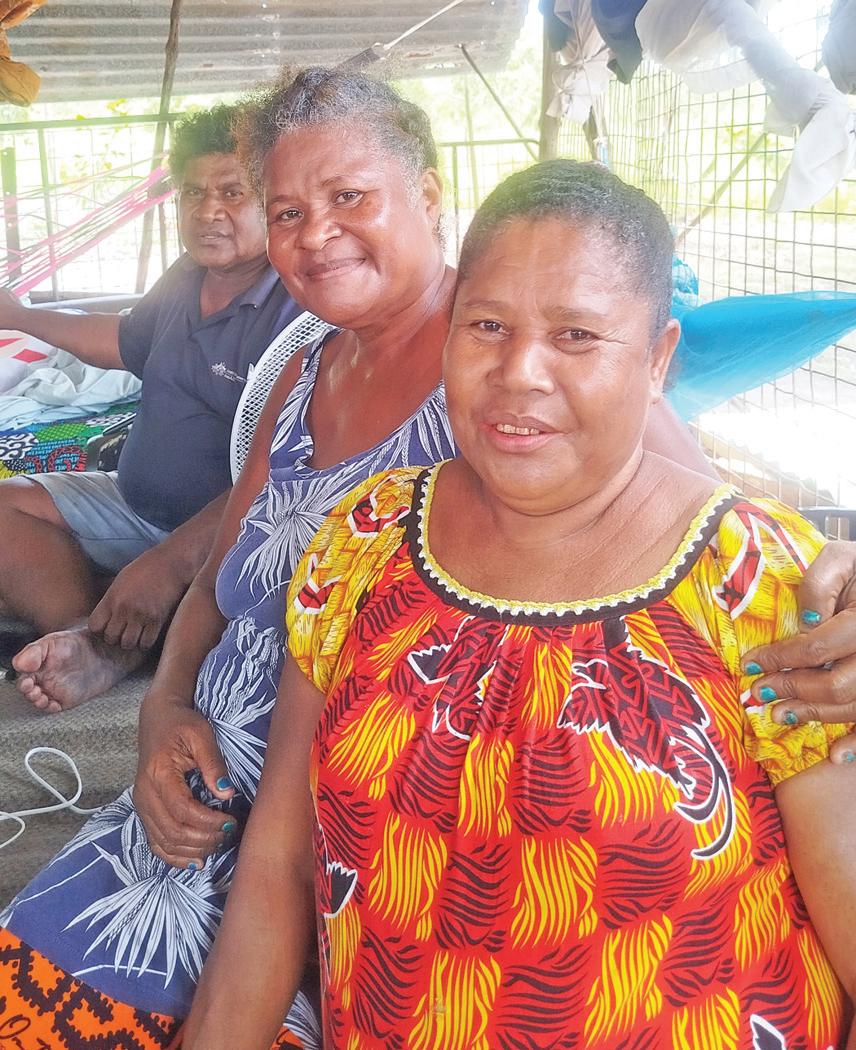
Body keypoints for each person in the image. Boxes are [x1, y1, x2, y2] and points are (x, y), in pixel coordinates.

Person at [1, 67, 855, 1048]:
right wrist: (162, 707)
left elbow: (712, 536)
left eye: (348, 196)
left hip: (312, 844)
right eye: (289, 211)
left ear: (429, 196)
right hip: (223, 809)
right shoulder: (334, 447)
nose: (315, 234)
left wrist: (832, 588)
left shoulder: (581, 447)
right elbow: (225, 587)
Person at [0, 103, 302, 712]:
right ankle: (92, 635)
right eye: (193, 192)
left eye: (232, 192)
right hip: (135, 503)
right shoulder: (187, 276)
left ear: (274, 203)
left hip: (234, 532)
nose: (208, 210)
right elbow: (123, 341)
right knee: (6, 506)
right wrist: (20, 316)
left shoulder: (297, 307)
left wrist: (166, 564)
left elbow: (288, 476)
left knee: (260, 605)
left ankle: (122, 633)